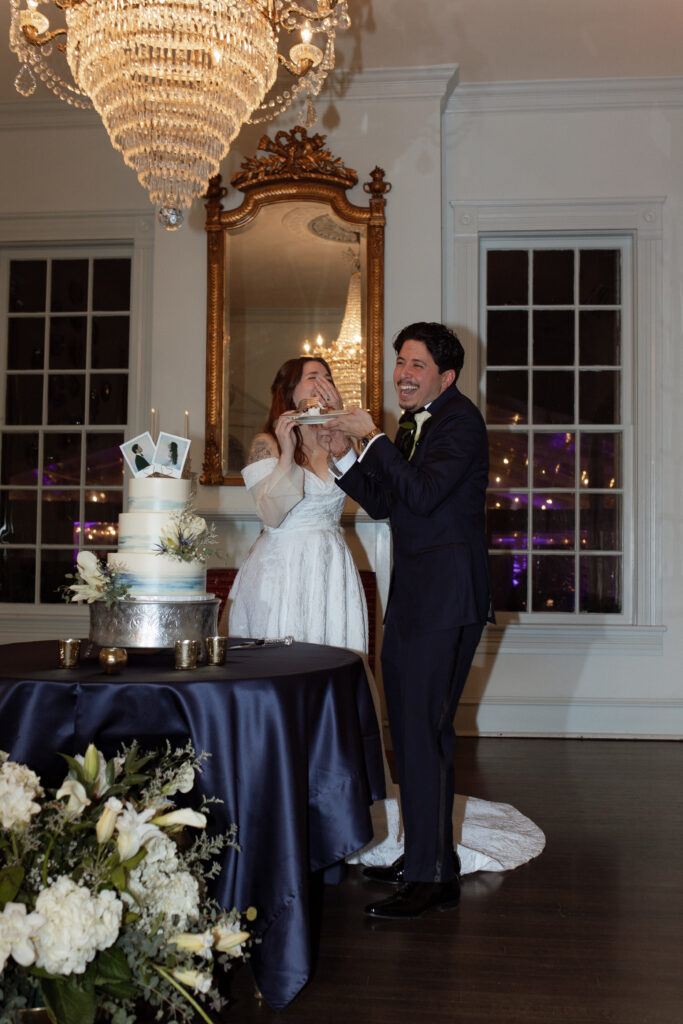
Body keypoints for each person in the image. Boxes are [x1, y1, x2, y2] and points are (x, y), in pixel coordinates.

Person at [325, 321, 495, 920]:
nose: (402, 372)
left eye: (416, 364)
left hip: (446, 600)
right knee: (415, 734)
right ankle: (428, 857)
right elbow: (388, 503)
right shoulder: (410, 425)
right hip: (416, 598)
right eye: (401, 361)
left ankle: (431, 878)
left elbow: (421, 495)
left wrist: (371, 438)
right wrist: (347, 454)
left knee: (423, 735)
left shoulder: (460, 422)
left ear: (446, 376)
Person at [220, 356, 367, 652]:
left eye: (328, 377)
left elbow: (372, 490)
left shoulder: (341, 441)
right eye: (314, 377)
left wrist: (342, 428)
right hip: (281, 565)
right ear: (290, 390)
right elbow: (271, 515)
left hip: (330, 564)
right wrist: (287, 455)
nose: (324, 384)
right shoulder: (267, 443)